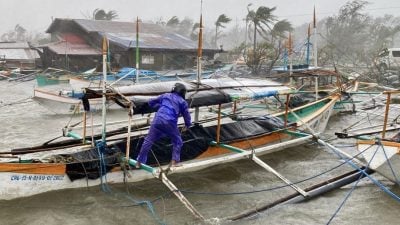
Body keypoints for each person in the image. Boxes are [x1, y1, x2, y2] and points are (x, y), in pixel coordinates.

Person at [136, 83, 192, 168]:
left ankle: (139, 162)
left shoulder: (165, 95)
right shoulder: (182, 102)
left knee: (148, 141)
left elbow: (151, 102)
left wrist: (151, 106)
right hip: (169, 122)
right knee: (178, 141)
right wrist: (187, 125)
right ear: (183, 92)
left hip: (157, 120)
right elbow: (186, 115)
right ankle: (175, 162)